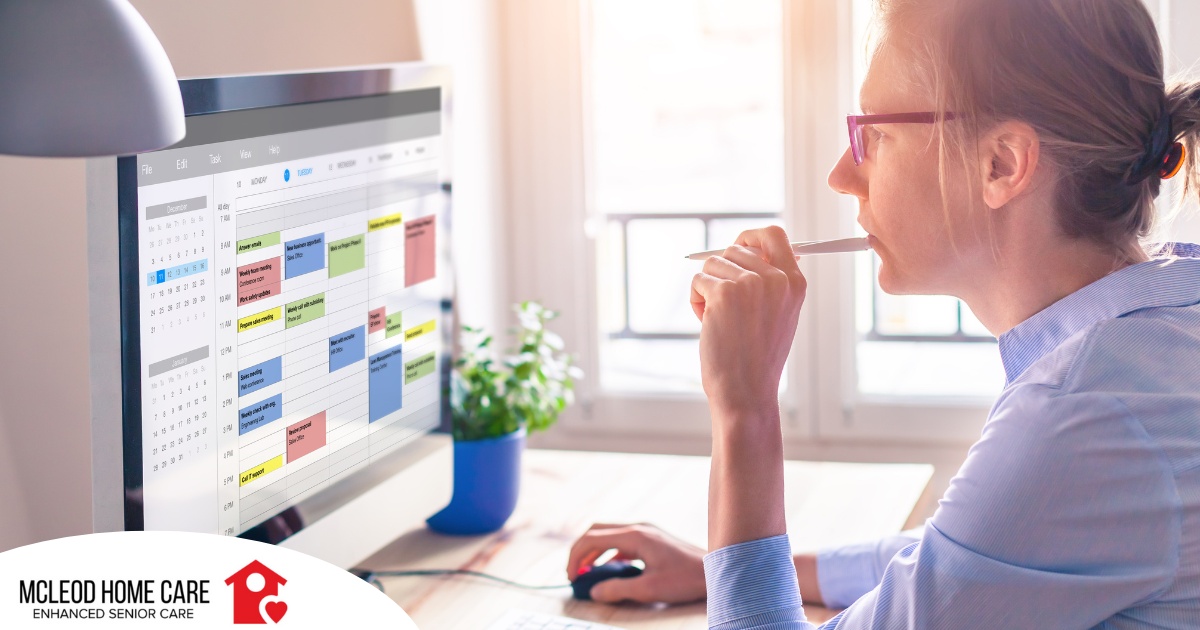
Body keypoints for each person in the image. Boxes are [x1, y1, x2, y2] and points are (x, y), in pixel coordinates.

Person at [566, 0, 1200, 627]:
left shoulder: (1080, 414)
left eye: (874, 134)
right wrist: (723, 566)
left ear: (1001, 163)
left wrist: (745, 408)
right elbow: (966, 560)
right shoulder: (1160, 326)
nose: (843, 175)